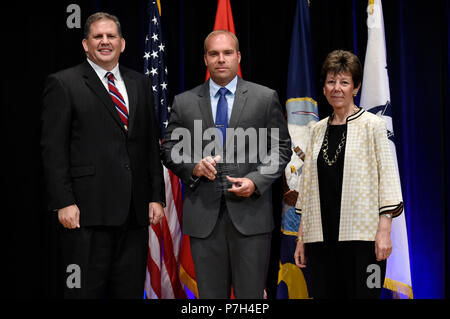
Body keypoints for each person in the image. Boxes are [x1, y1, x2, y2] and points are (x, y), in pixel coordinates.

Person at [41, 12, 165, 298]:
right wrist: (64, 201)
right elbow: (53, 150)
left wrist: (156, 196)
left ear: (122, 43)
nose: (105, 42)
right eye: (98, 36)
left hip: (134, 216)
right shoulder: (63, 83)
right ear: (86, 44)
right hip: (86, 215)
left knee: (130, 292)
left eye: (111, 36)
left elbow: (148, 144)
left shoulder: (140, 83)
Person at [161, 30, 292, 298]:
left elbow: (281, 147)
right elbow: (169, 149)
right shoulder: (184, 102)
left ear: (238, 56)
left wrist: (256, 180)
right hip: (203, 219)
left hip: (251, 218)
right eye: (214, 54)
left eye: (227, 53)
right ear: (205, 59)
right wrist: (194, 167)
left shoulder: (265, 98)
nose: (221, 59)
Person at [294, 50, 403, 299]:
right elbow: (308, 187)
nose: (337, 88)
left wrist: (384, 231)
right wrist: (301, 238)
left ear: (356, 87)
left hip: (364, 241)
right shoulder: (316, 130)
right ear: (323, 88)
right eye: (331, 82)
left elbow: (388, 179)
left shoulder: (373, 125)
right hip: (320, 241)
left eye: (344, 82)